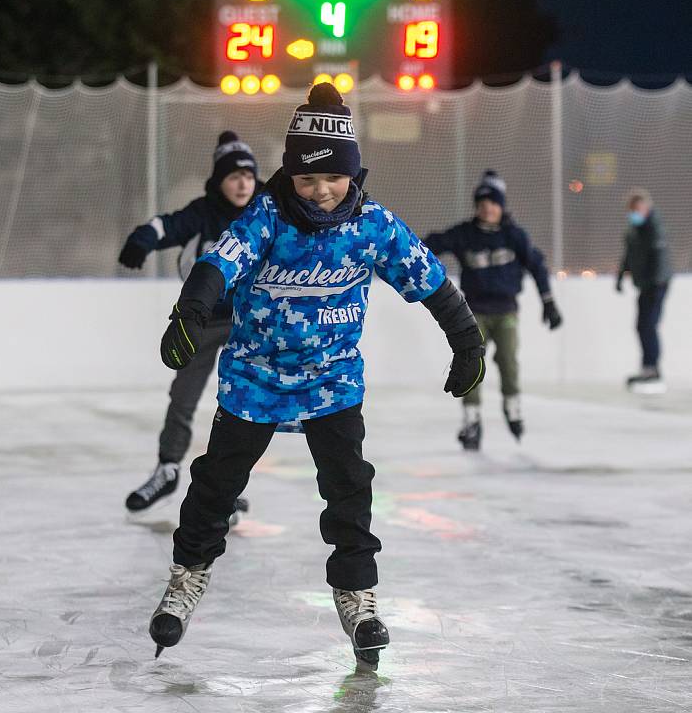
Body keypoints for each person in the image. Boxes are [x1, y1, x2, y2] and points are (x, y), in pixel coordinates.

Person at [147, 82, 486, 668]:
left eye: (333, 178)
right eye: (307, 179)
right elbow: (217, 263)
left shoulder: (372, 225)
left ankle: (356, 593)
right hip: (255, 380)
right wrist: (190, 311)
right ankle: (187, 576)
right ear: (291, 177)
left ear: (353, 175)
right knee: (216, 485)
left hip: (332, 382)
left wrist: (466, 341)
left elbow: (429, 279)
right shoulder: (267, 218)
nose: (321, 190)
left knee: (349, 486)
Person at [118, 131, 261, 516]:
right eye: (234, 176)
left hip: (250, 324)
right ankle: (167, 468)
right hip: (202, 320)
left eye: (248, 175)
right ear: (219, 181)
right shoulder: (203, 212)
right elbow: (166, 225)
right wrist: (141, 239)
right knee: (183, 396)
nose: (243, 183)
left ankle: (224, 485)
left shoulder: (265, 210)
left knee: (240, 405)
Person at [424, 170, 562, 451]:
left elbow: (537, 266)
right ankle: (472, 422)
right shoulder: (465, 234)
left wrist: (548, 302)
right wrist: (405, 253)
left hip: (506, 311)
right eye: (482, 203)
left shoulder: (514, 236)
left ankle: (513, 411)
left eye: (493, 203)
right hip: (473, 312)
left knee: (508, 361)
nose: (488, 208)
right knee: (473, 363)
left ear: (501, 205)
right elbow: (431, 244)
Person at [616, 187, 672, 392]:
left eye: (638, 208)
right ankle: (647, 367)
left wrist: (656, 283)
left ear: (646, 207)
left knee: (649, 324)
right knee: (641, 325)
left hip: (657, 284)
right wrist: (621, 276)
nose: (635, 213)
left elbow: (660, 257)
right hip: (645, 285)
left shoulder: (654, 227)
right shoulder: (633, 231)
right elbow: (628, 255)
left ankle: (653, 369)